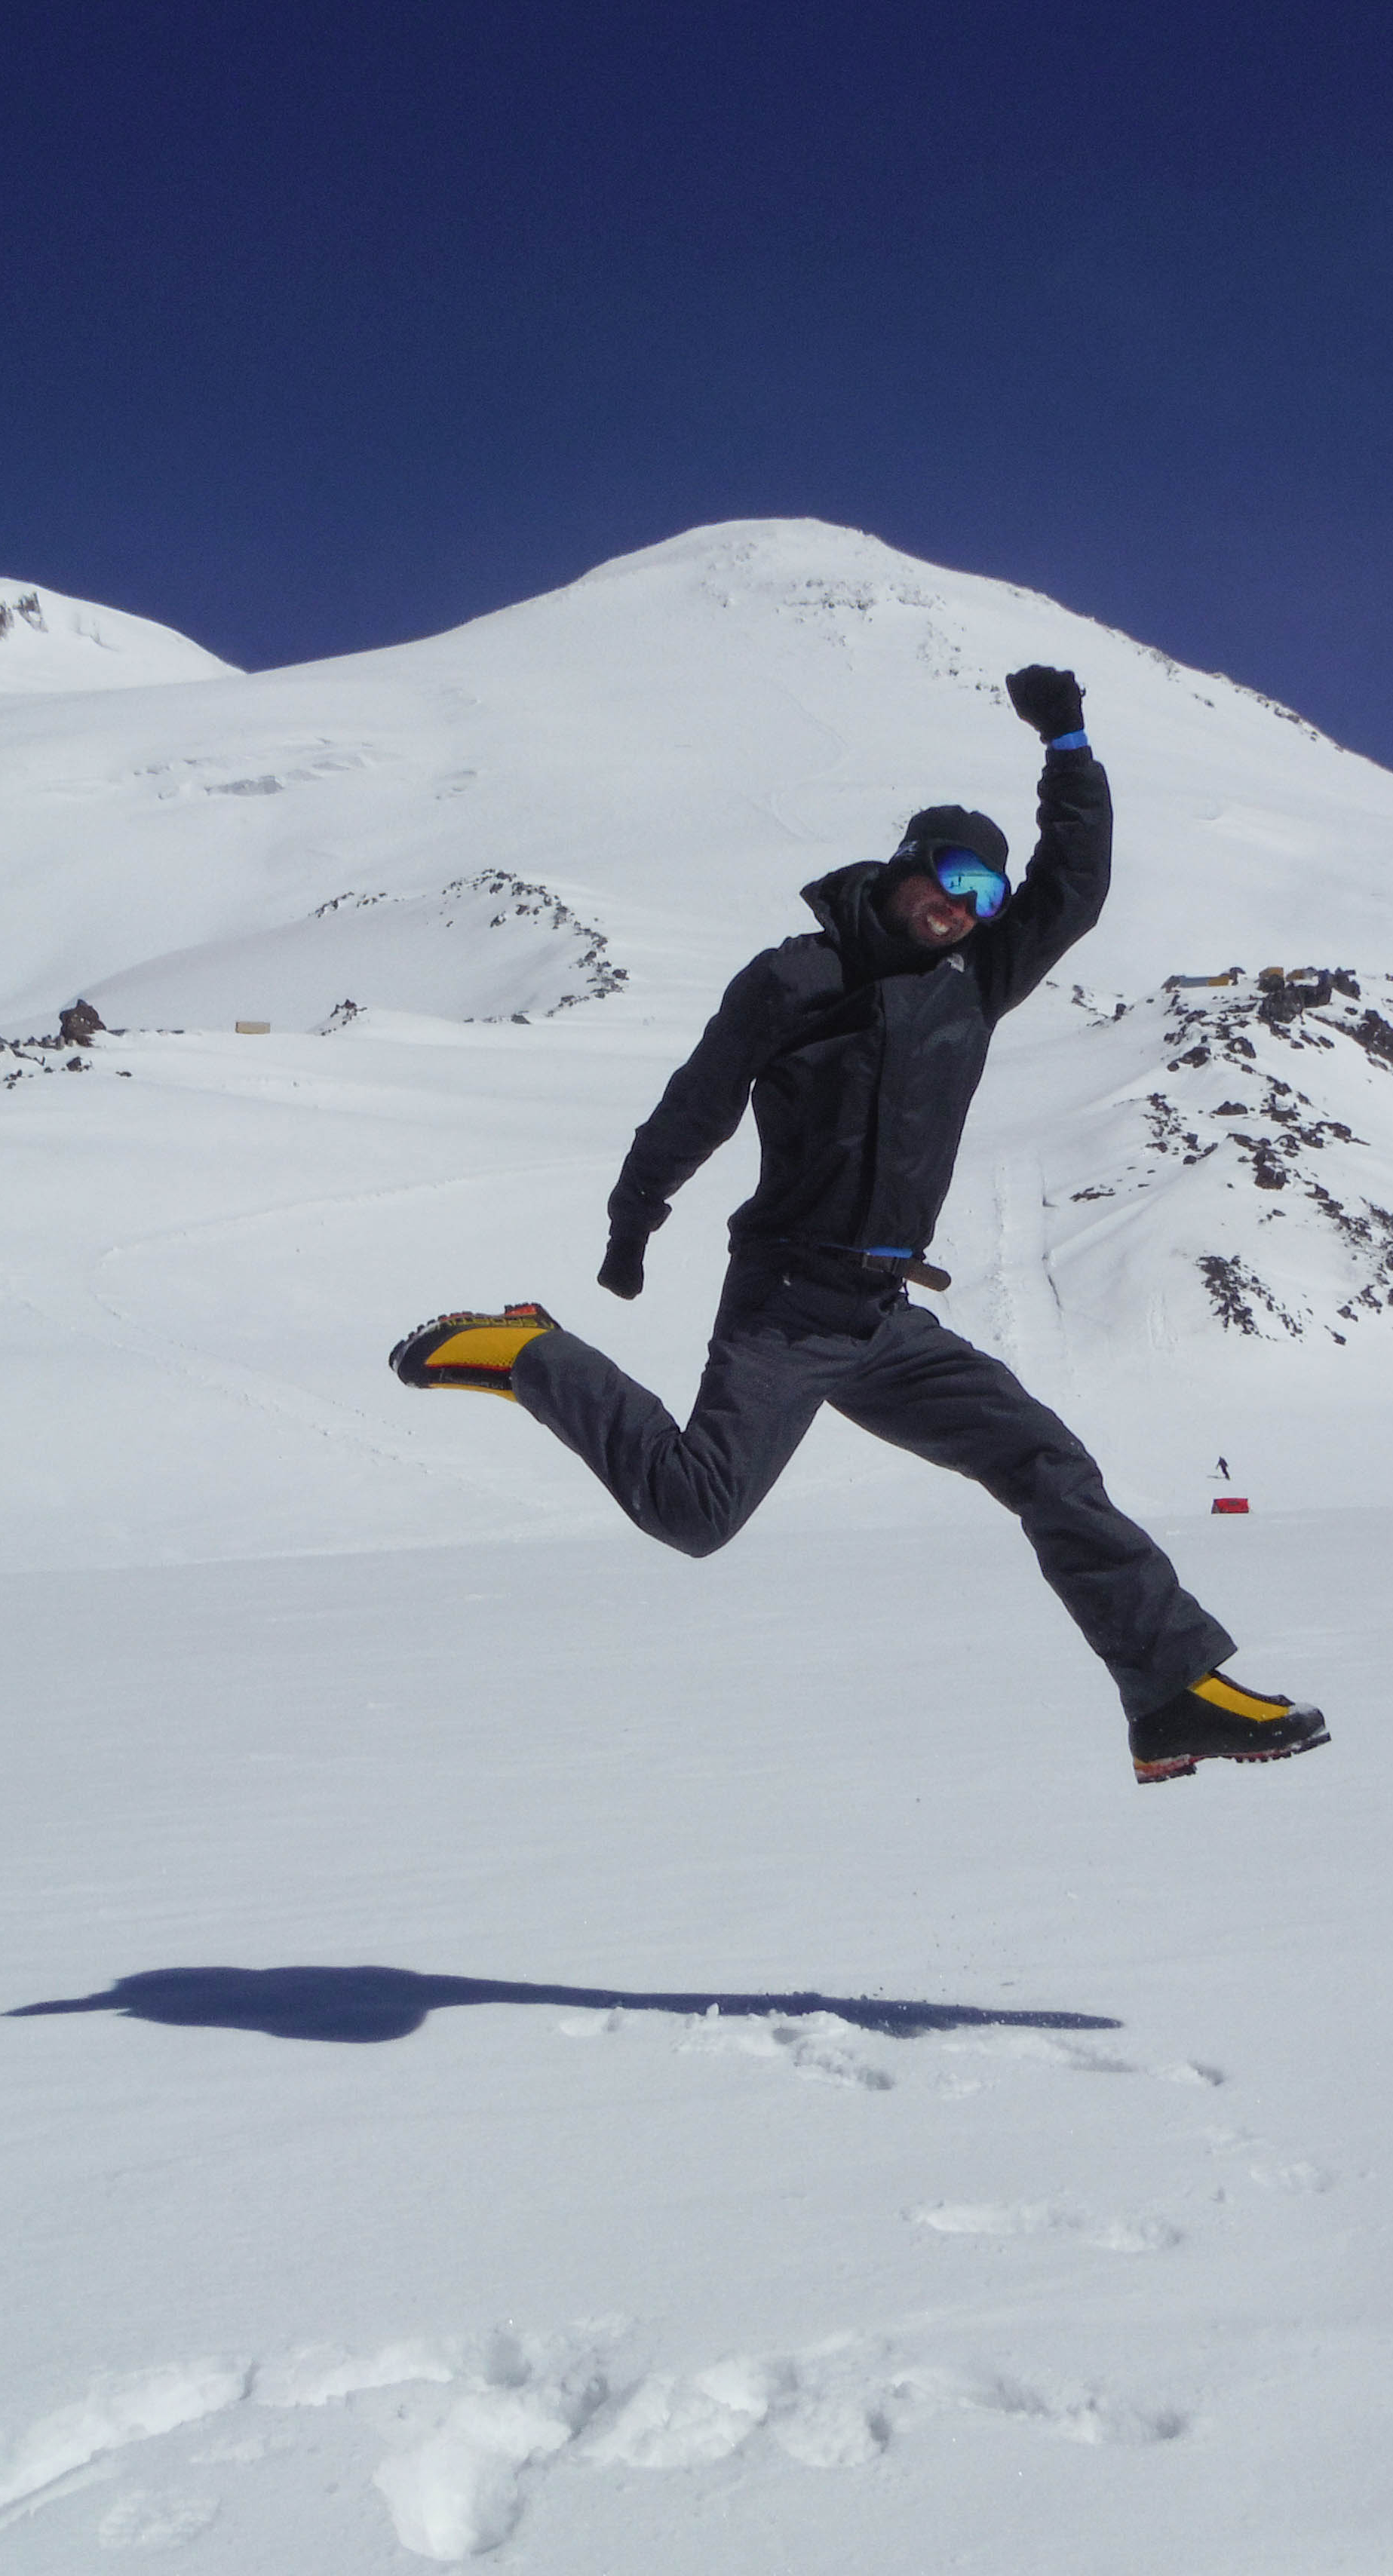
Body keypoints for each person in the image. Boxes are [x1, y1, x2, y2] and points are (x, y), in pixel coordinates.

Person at [391, 664, 1329, 1786]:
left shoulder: (973, 981)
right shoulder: (796, 979)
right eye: (953, 877)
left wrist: (1068, 748)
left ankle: (1171, 1693)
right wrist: (634, 1217)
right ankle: (532, 1353)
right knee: (695, 1513)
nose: (966, 906)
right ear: (907, 867)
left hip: (882, 1317)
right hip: (789, 1302)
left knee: (1047, 1463)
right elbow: (701, 1100)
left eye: (987, 892)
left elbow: (1072, 891)